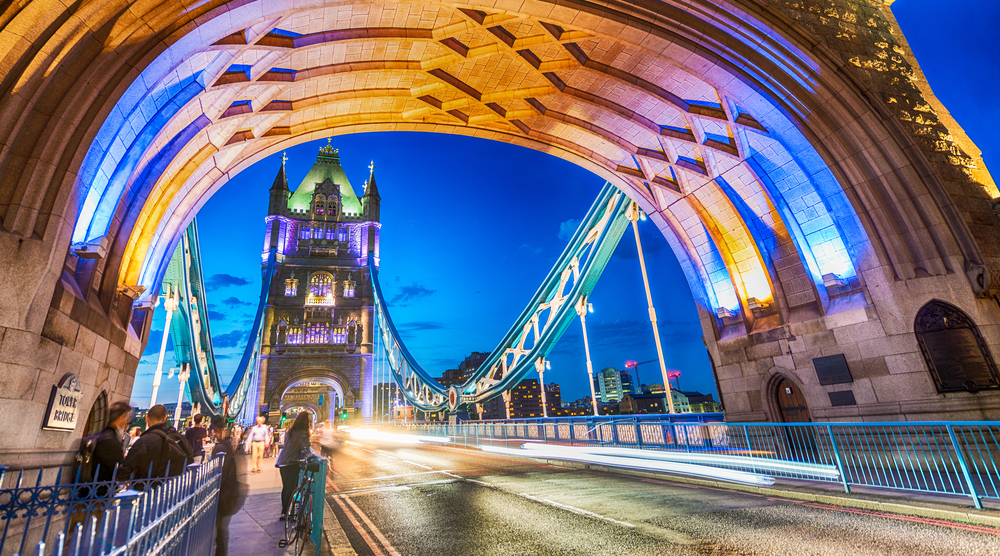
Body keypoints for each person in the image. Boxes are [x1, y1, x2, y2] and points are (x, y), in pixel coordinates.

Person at [121, 404, 194, 481]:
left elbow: (126, 468)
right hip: (173, 486)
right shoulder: (178, 438)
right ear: (165, 418)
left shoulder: (144, 441)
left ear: (146, 418)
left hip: (146, 486)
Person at [211, 416, 244, 556]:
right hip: (230, 493)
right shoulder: (227, 446)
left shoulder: (220, 448)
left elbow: (219, 474)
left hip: (222, 494)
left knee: (219, 530)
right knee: (221, 529)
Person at [275, 413, 312, 520]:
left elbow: (286, 444)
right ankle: (288, 512)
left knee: (286, 487)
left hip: (282, 461)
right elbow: (304, 449)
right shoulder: (304, 433)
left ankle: (283, 512)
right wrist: (305, 461)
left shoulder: (291, 430)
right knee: (292, 488)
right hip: (292, 462)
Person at [92, 401, 133, 482]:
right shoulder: (111, 441)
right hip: (101, 487)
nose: (126, 422)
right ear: (121, 418)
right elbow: (117, 467)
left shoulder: (101, 435)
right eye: (126, 418)